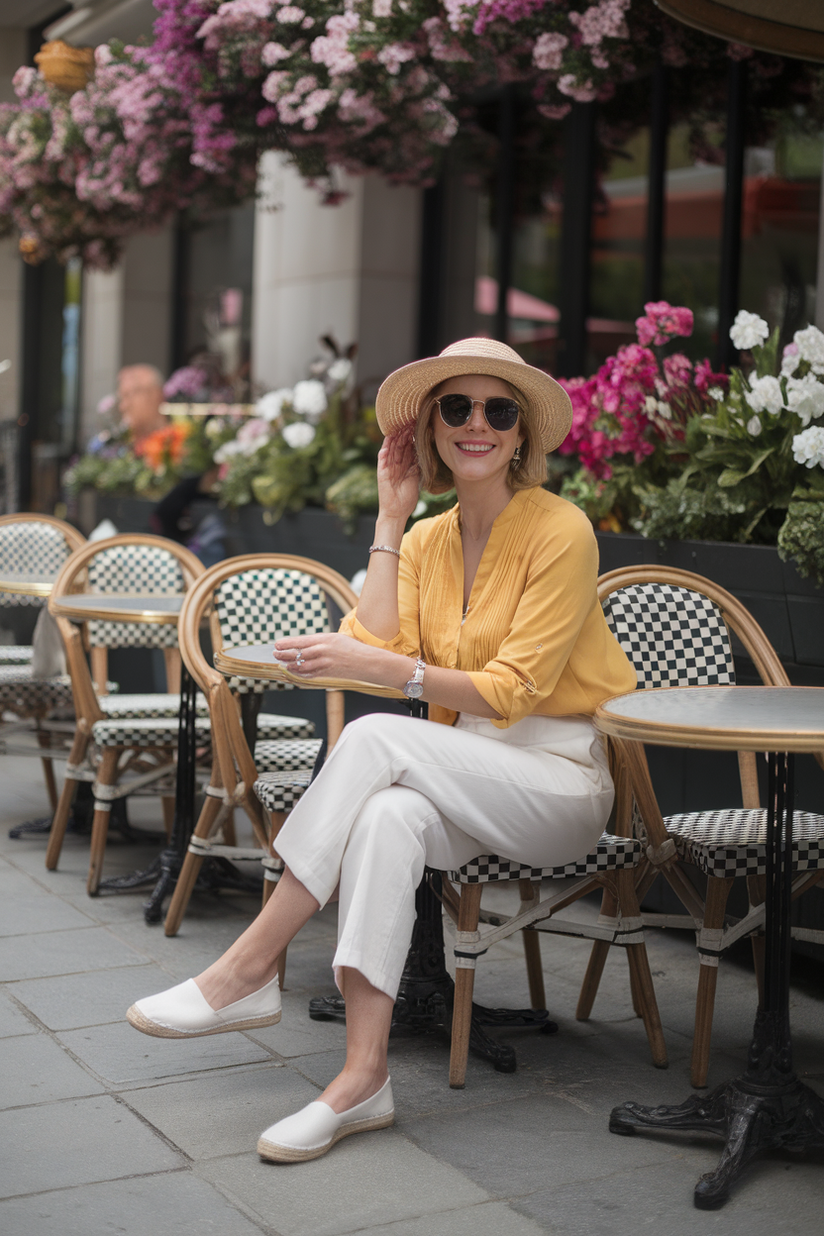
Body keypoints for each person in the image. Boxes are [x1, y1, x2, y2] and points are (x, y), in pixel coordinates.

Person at [126, 338, 636, 1164]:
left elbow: (509, 690)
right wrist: (391, 517)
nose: (477, 424)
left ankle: (252, 963)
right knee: (388, 818)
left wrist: (388, 670)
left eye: (497, 410)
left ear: (520, 435)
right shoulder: (429, 537)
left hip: (558, 783)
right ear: (430, 427)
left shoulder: (563, 530)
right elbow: (373, 633)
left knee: (372, 735)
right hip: (459, 766)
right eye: (456, 408)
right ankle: (363, 1079)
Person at [116, 363, 168, 448]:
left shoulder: (177, 445)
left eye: (129, 396)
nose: (123, 407)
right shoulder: (118, 448)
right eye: (122, 398)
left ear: (155, 395)